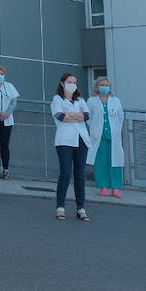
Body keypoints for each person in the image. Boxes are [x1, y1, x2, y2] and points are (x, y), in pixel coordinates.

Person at [52, 72, 91, 221]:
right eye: (69, 82)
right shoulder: (57, 99)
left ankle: (81, 208)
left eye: (74, 82)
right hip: (65, 141)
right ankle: (60, 207)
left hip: (81, 140)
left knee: (80, 175)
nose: (72, 85)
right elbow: (61, 117)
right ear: (62, 83)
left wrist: (71, 114)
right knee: (66, 173)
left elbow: (86, 116)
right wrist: (77, 115)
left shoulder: (80, 100)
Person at [87, 75, 124, 197]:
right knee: (101, 162)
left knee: (115, 161)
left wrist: (117, 129)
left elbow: (120, 117)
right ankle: (103, 187)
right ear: (97, 87)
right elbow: (88, 118)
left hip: (113, 136)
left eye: (106, 85)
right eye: (102, 85)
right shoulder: (91, 101)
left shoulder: (115, 101)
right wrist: (94, 129)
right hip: (99, 136)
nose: (104, 87)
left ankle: (116, 187)